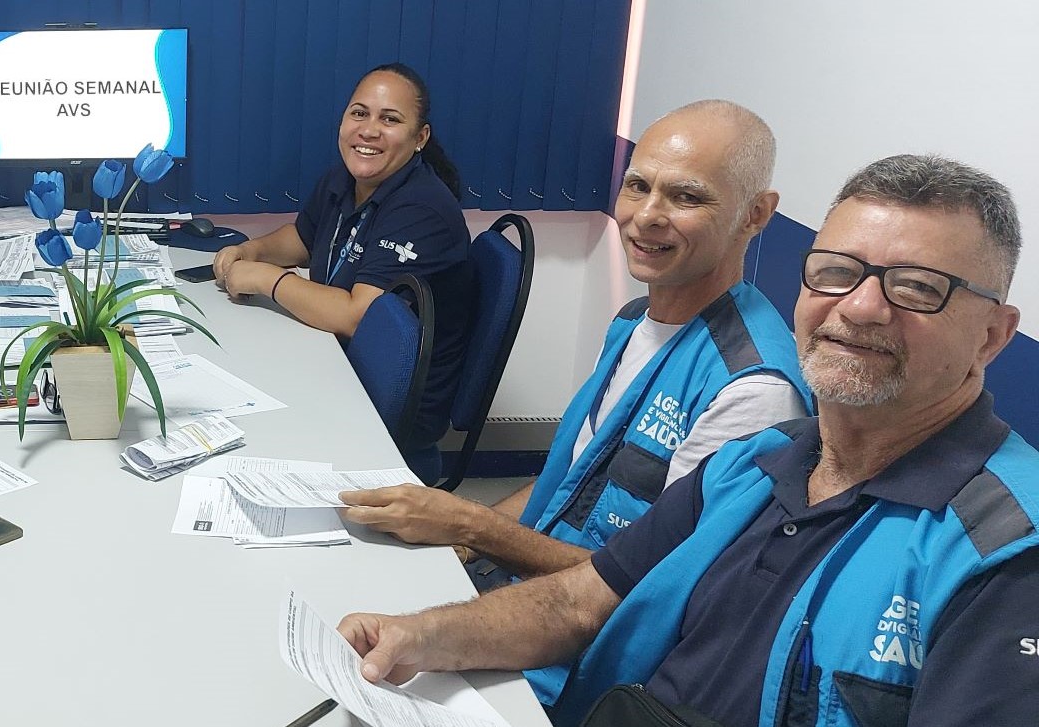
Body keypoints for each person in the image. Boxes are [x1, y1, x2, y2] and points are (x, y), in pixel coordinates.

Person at [338, 154, 1034, 726]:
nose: (859, 306)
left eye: (917, 288)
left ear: (993, 335)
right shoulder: (757, 462)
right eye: (836, 271)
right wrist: (422, 635)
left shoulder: (1005, 556)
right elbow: (581, 598)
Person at [339, 100, 812, 587]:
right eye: (637, 186)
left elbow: (655, 588)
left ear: (755, 214)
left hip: (587, 637)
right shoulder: (634, 322)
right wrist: (460, 543)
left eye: (687, 197)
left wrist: (470, 525)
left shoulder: (751, 392)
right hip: (535, 581)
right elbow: (566, 482)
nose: (647, 215)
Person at [211, 63, 476, 473]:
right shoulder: (348, 180)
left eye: (390, 119)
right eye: (359, 113)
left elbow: (358, 315)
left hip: (383, 401)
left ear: (419, 137)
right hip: (337, 362)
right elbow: (304, 239)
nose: (369, 130)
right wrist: (254, 249)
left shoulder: (422, 210)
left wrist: (266, 279)